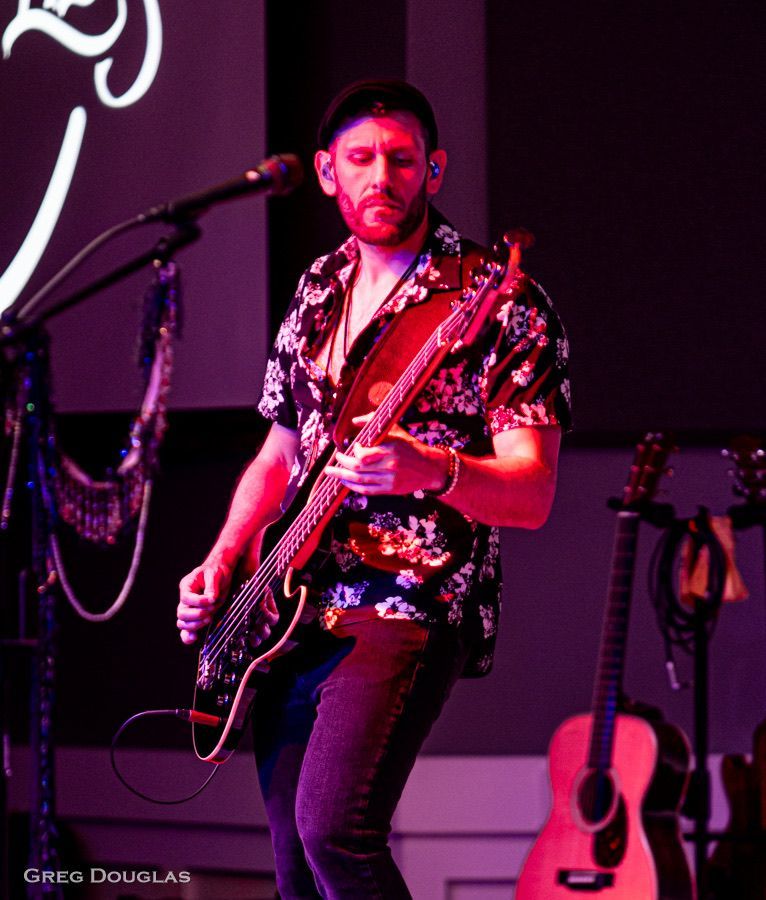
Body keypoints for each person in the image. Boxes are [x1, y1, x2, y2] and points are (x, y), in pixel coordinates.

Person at [177, 79, 571, 899]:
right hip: (288, 602)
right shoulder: (317, 288)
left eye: (400, 159)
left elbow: (532, 494)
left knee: (334, 834)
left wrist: (434, 470)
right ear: (326, 172)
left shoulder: (499, 300)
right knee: (293, 866)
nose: (380, 176)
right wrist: (222, 560)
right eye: (360, 159)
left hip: (406, 600)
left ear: (435, 169)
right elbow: (279, 450)